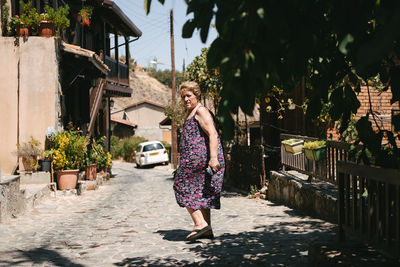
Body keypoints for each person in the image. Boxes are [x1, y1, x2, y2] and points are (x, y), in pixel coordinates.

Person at [173, 81, 225, 241]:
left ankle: (200, 224)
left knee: (180, 186)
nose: (186, 99)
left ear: (197, 95)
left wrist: (214, 158)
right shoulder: (192, 112)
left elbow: (213, 134)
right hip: (195, 160)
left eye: (189, 95)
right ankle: (207, 230)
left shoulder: (201, 111)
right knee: (203, 194)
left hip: (200, 160)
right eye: (183, 97)